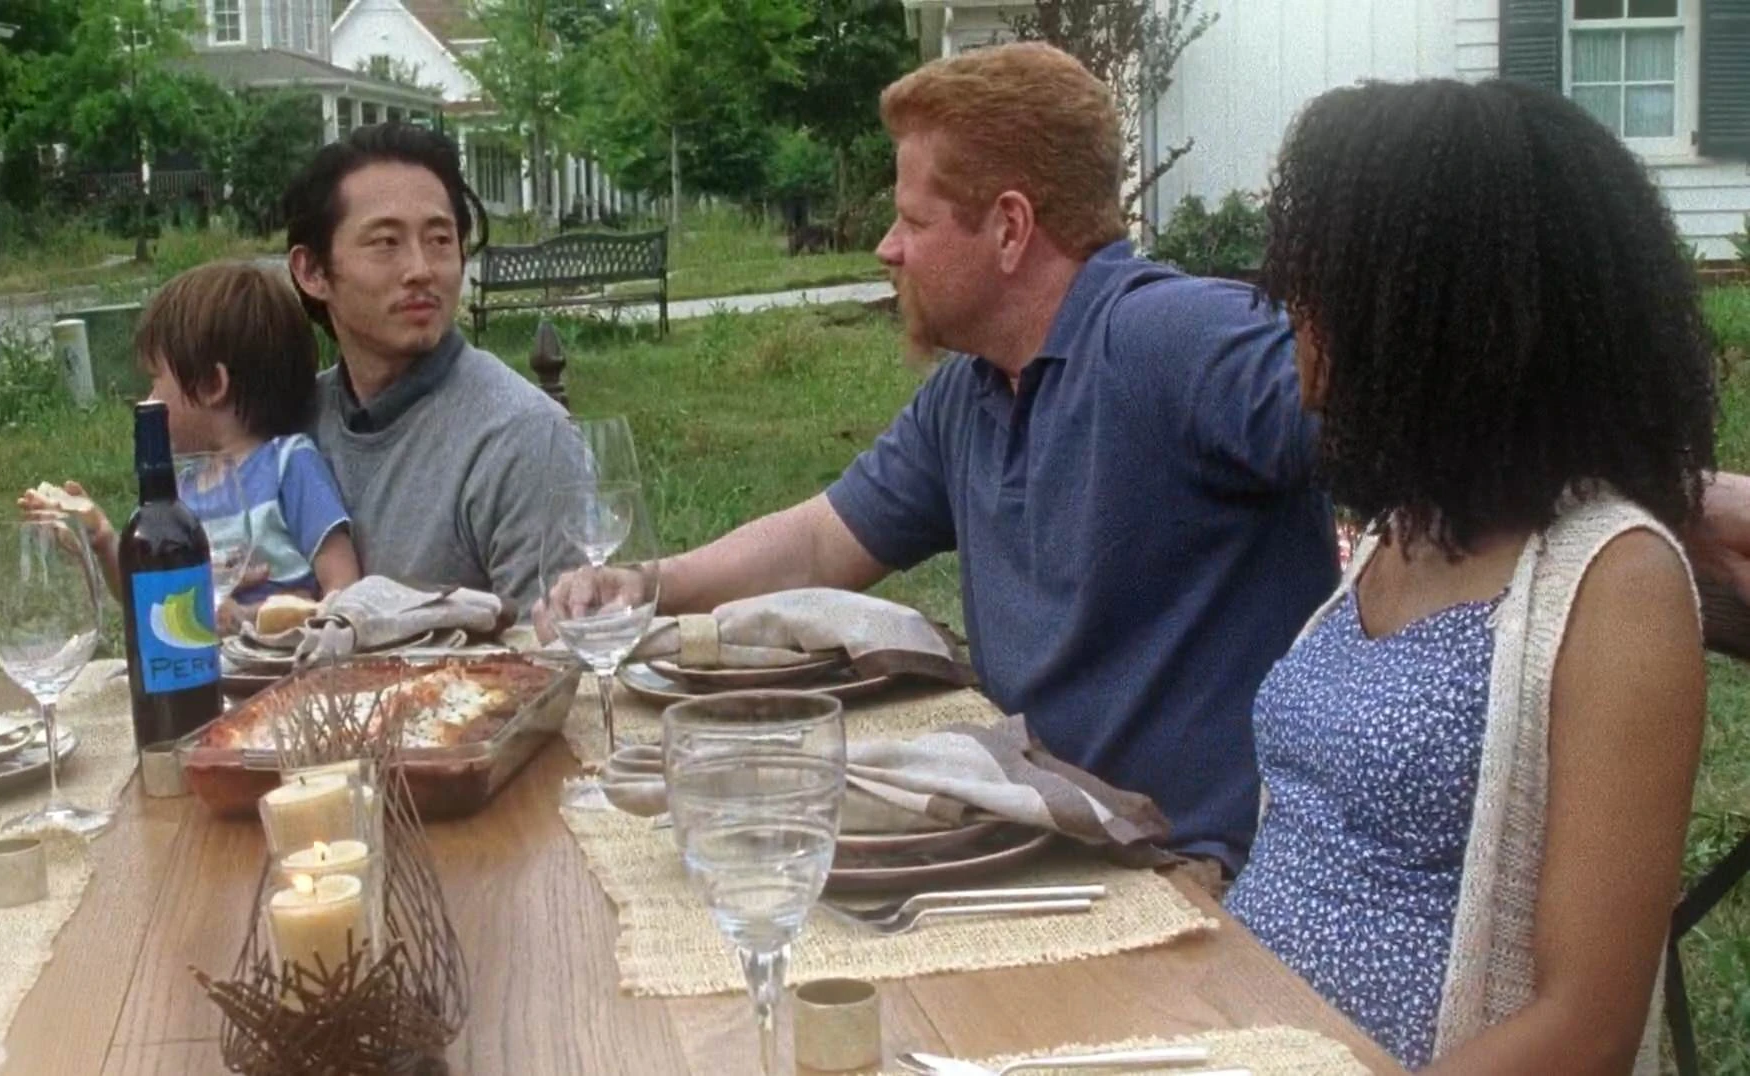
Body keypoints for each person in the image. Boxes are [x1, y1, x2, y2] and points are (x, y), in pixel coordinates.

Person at [545, 43, 1339, 873]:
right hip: (1036, 831)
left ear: (1009, 228)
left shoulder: (1173, 338)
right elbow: (820, 541)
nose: (888, 248)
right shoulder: (975, 388)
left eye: (914, 222)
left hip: (1186, 870)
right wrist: (646, 584)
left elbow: (1394, 431)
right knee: (746, 860)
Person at [1219, 79, 1711, 1073]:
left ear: (1429, 320)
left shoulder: (1616, 583)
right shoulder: (1402, 532)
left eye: (1319, 291)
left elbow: (1585, 1032)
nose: (1294, 321)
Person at [283, 123, 585, 607]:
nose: (421, 269)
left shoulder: (522, 437)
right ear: (312, 271)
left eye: (440, 240)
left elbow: (554, 643)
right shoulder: (286, 425)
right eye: (386, 242)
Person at [21, 261, 361, 622]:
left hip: (285, 656)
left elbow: (345, 588)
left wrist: (248, 618)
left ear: (212, 385)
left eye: (155, 380)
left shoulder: (288, 466)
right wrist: (103, 539)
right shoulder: (180, 493)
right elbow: (149, 598)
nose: (147, 400)